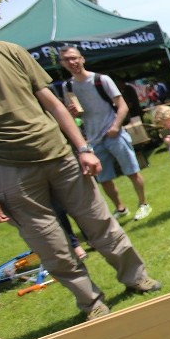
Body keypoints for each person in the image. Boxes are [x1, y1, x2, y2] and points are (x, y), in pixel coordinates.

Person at [0, 1, 162, 320]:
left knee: (100, 221)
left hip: (59, 155)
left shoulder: (9, 51)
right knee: (51, 246)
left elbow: (56, 106)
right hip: (6, 172)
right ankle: (91, 302)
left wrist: (83, 147)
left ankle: (135, 277)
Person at [59, 46, 153, 221]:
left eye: (74, 58)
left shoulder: (101, 79)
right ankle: (121, 208)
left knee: (132, 171)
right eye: (67, 60)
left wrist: (116, 126)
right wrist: (72, 113)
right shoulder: (68, 86)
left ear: (82, 59)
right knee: (104, 178)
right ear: (62, 64)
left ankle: (143, 204)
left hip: (114, 134)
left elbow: (123, 106)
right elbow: (76, 114)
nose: (72, 62)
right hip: (93, 139)